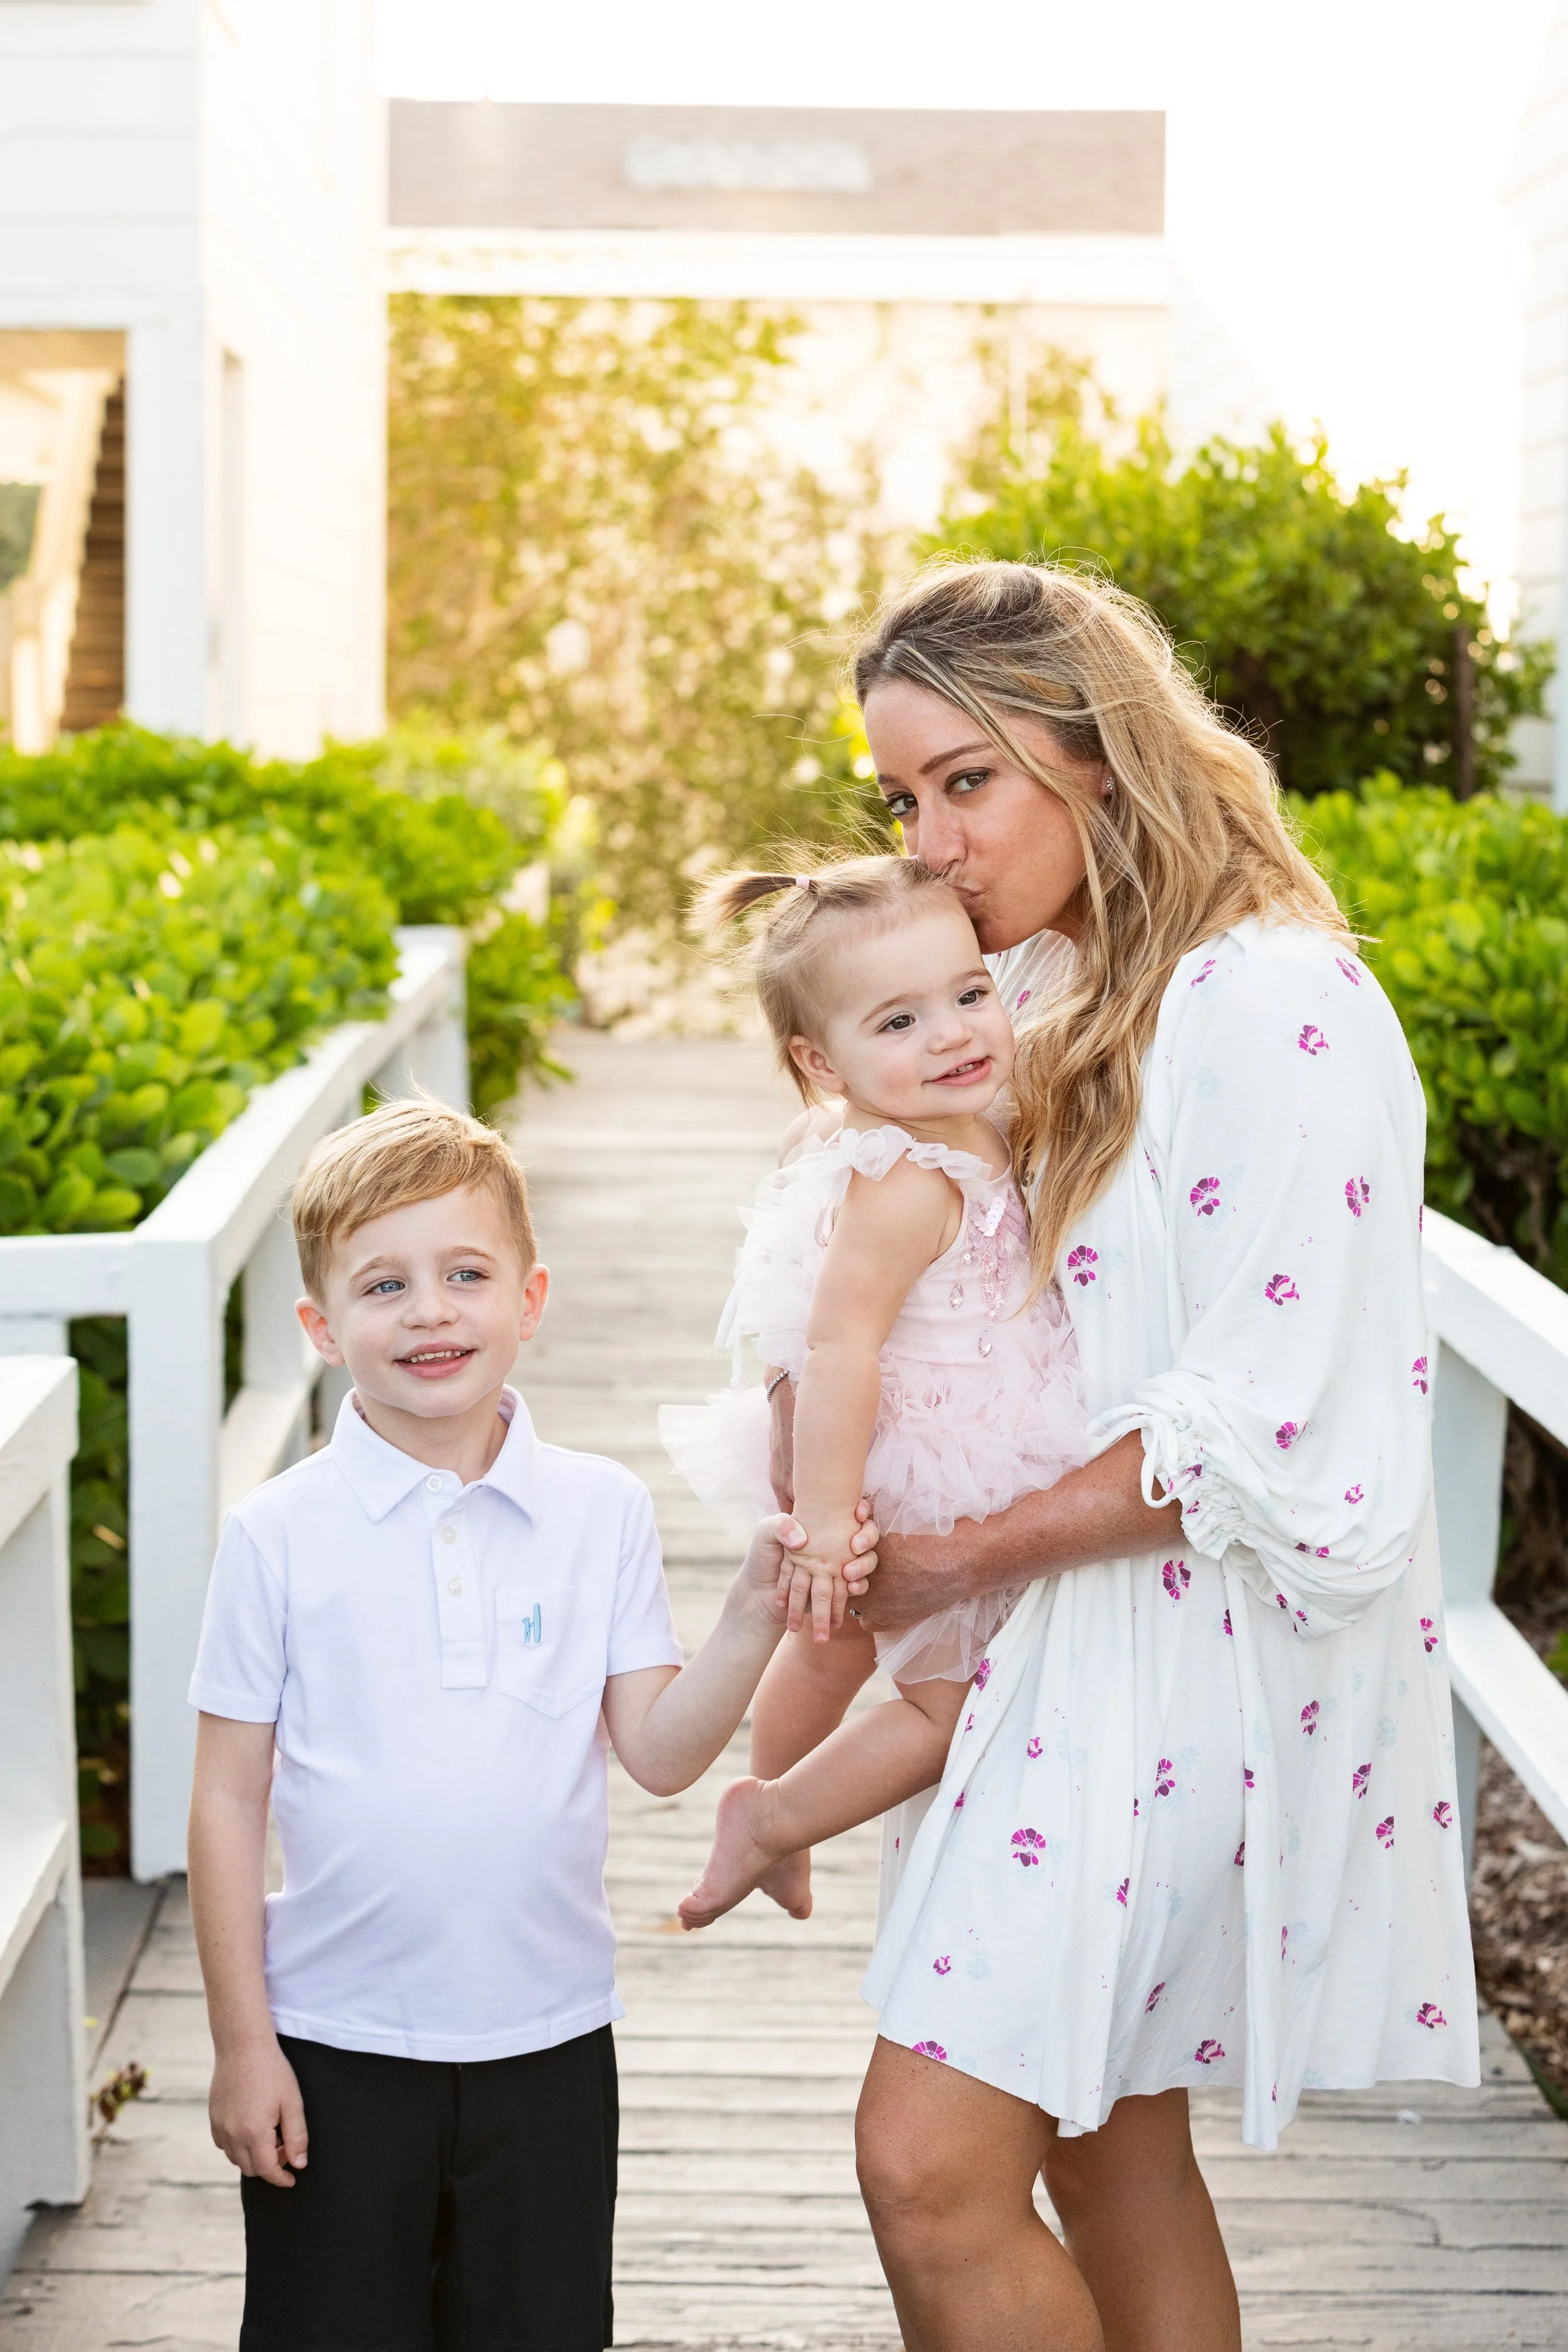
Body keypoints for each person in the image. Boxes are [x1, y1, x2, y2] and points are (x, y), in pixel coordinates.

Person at [763, 561, 1479, 2352]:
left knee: (927, 2165)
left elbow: (1266, 1415)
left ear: (1091, 748)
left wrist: (946, 1560)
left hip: (1178, 1662)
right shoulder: (1056, 979)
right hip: (1056, 1646)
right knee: (1105, 2143)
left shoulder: (1276, 1000)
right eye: (901, 796)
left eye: (962, 780)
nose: (928, 841)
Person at [184, 1099, 875, 2352]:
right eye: (382, 1286)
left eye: (465, 1274)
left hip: (547, 2040)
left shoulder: (597, 1510)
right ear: (321, 1329)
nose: (431, 1311)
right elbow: (227, 1799)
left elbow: (660, 1755)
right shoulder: (276, 1534)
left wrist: (752, 1615)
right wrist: (244, 2045)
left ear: (531, 1297)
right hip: (334, 2039)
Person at [659, 857, 1091, 1928]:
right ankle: (774, 1819)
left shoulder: (956, 1117)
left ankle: (767, 1811)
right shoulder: (906, 1178)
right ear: (822, 1058)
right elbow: (841, 1345)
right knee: (950, 1704)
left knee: (830, 1644)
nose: (951, 1034)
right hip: (925, 1455)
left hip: (944, 1430)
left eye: (969, 994)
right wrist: (822, 1519)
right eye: (897, 1023)